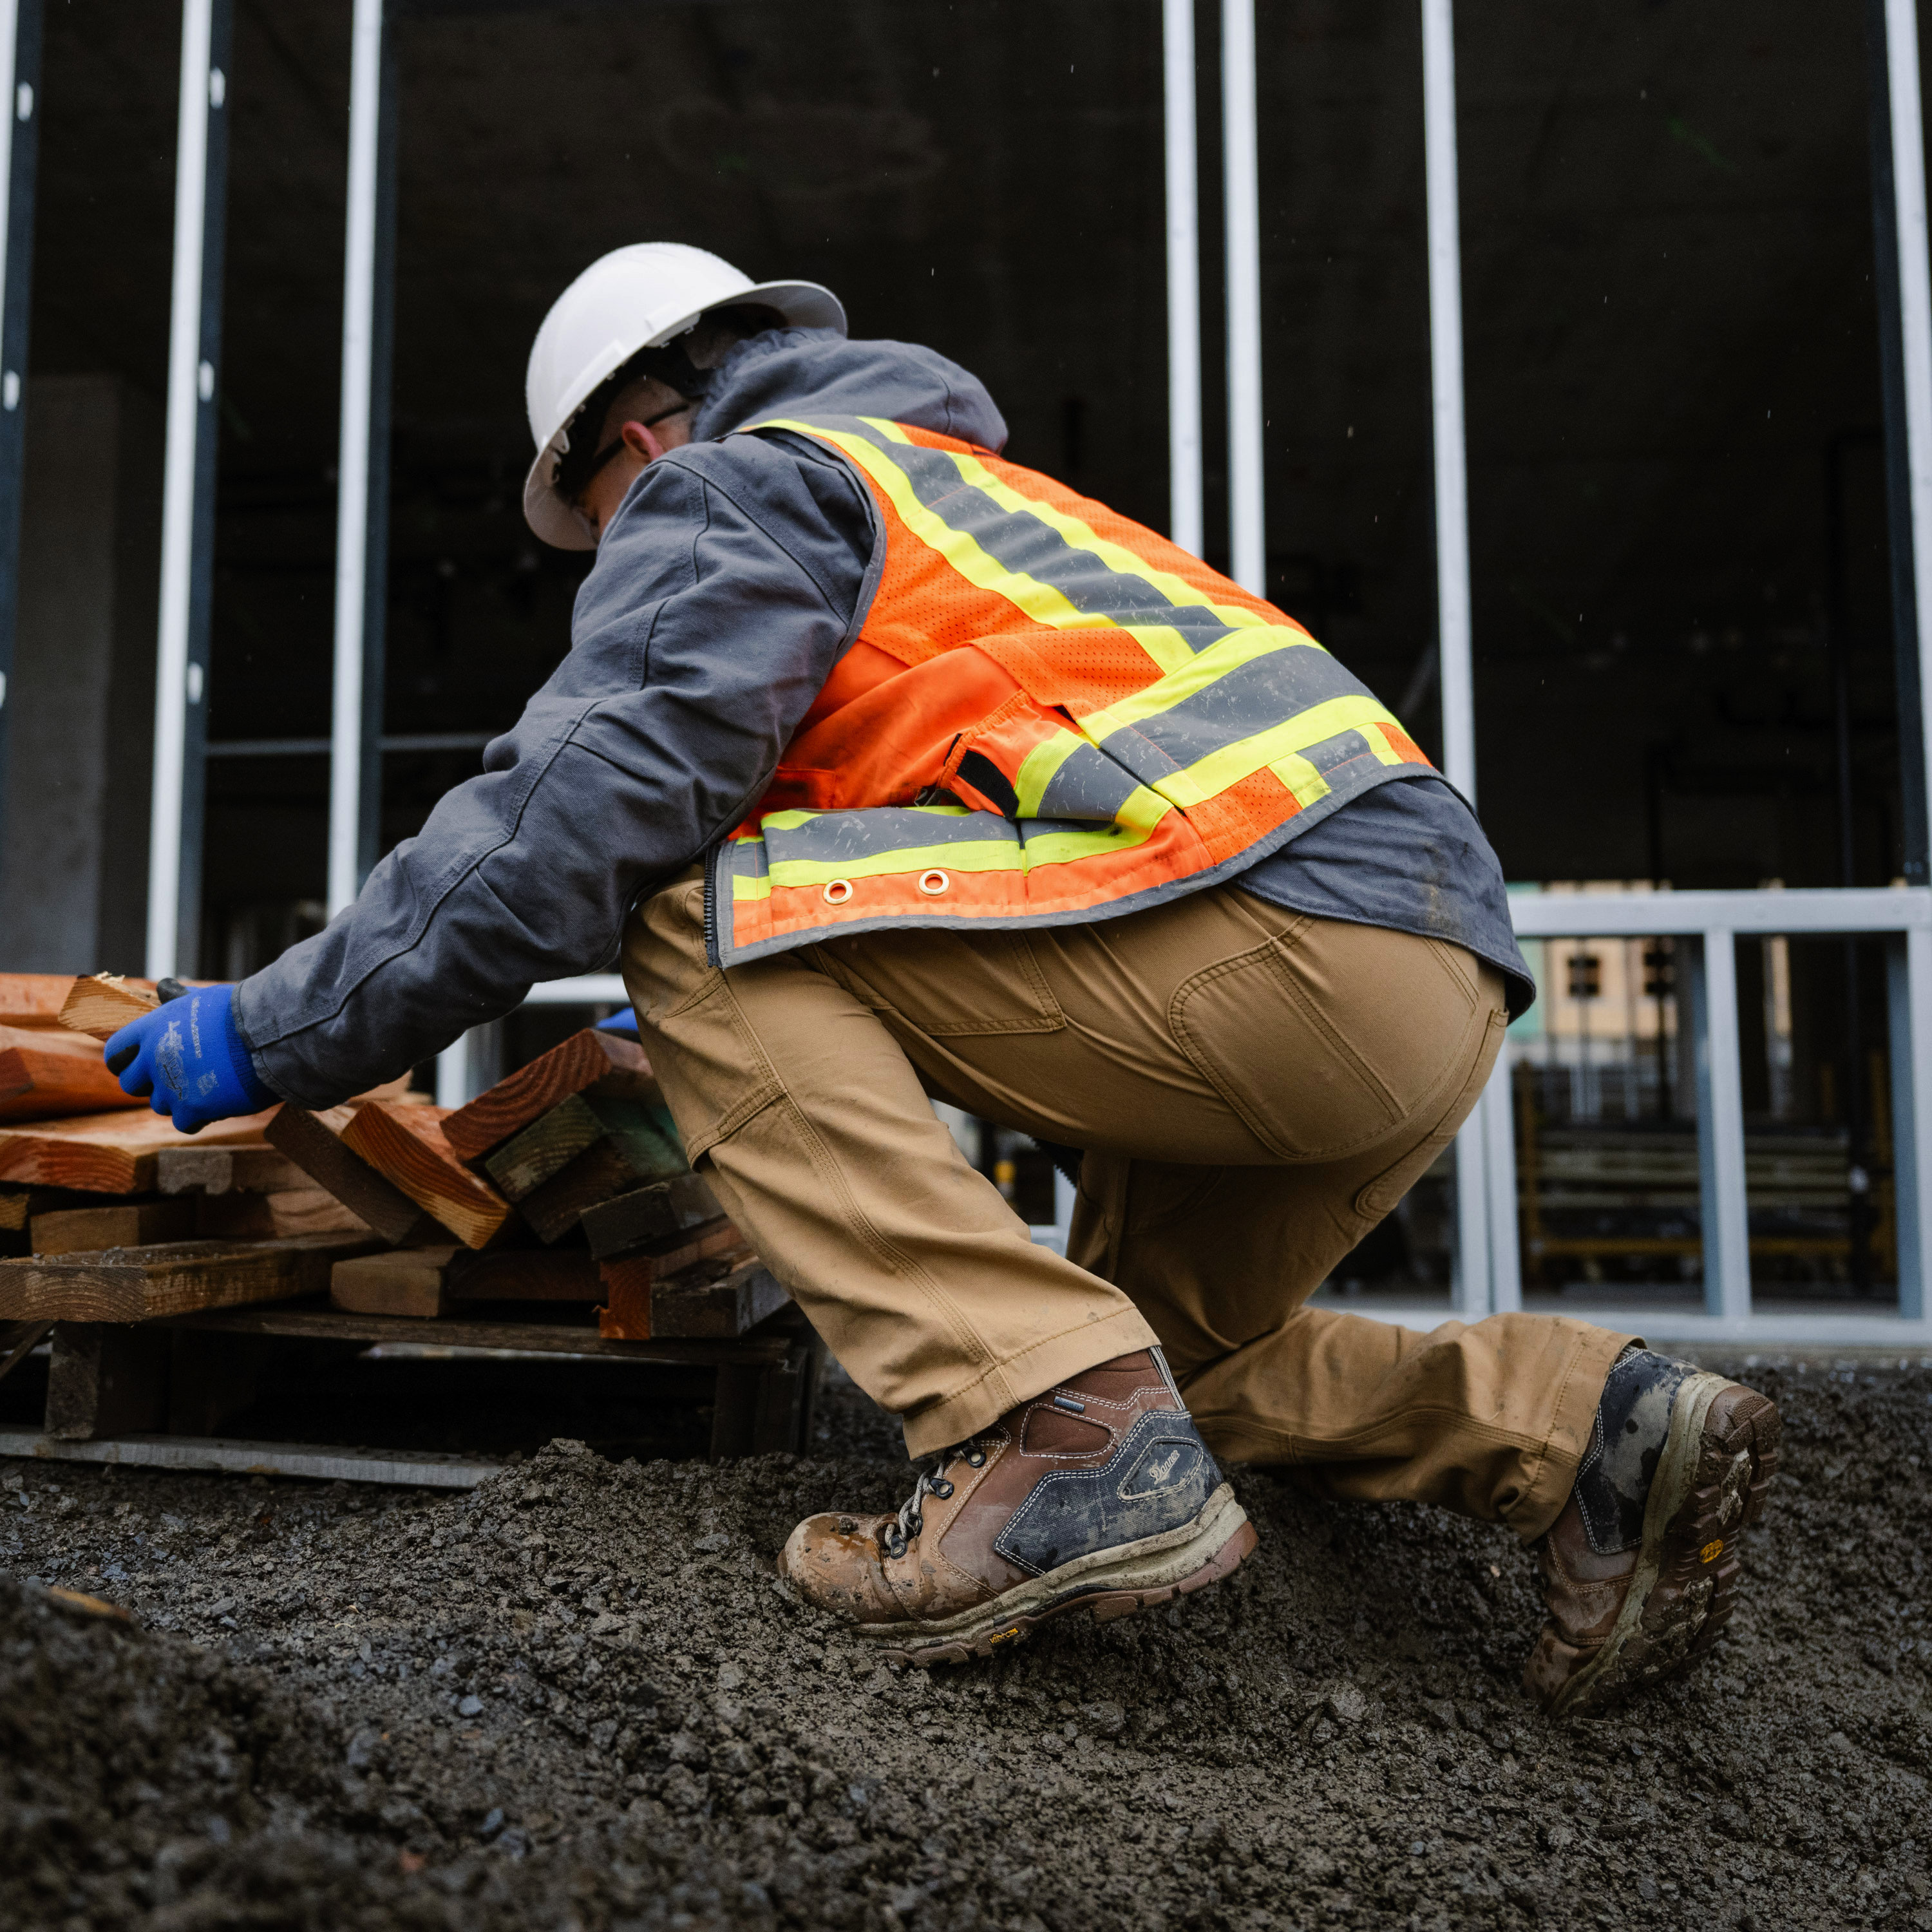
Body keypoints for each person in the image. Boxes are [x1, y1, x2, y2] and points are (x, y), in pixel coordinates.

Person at [106, 243, 1780, 1714]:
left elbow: (578, 816)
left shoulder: (736, 483)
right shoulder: (958, 503)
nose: (615, 577)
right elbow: (967, 825)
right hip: (1424, 972)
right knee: (1174, 1379)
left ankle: (1043, 1431)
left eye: (600, 534)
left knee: (682, 907)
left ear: (633, 440)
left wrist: (282, 1024)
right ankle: (1586, 1431)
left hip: (1277, 951)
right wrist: (777, 1041)